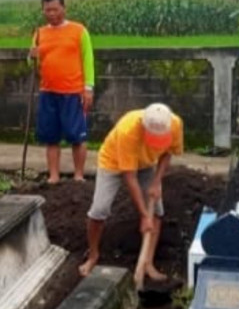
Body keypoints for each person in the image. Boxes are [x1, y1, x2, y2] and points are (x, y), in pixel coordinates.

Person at [78, 103, 184, 286]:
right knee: (99, 210)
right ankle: (93, 255)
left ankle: (147, 263)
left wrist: (157, 181)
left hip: (146, 164)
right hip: (112, 162)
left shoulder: (174, 124)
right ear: (144, 126)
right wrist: (143, 215)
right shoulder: (128, 129)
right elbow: (129, 176)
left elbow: (167, 153)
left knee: (157, 212)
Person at [29, 0, 95, 184]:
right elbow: (32, 63)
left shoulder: (79, 31)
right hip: (48, 91)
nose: (51, 14)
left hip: (73, 92)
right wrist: (31, 56)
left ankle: (79, 175)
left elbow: (88, 60)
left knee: (77, 136)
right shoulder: (40, 33)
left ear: (63, 9)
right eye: (47, 10)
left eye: (55, 9)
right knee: (51, 137)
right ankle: (54, 175)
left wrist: (88, 87)